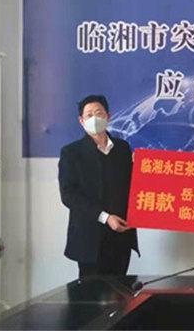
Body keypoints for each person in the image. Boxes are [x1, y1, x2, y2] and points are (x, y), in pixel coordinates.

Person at [58, 95, 139, 278]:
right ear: (81, 121)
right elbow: (69, 195)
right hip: (89, 239)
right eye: (89, 115)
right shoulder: (72, 153)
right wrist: (105, 217)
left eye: (99, 113)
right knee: (91, 292)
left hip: (121, 234)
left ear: (108, 116)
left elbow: (132, 185)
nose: (94, 118)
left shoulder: (123, 148)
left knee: (120, 289)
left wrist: (140, 168)